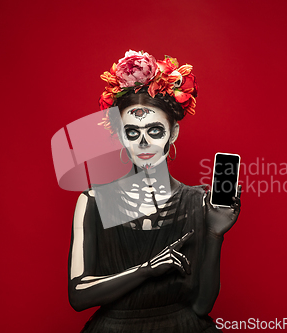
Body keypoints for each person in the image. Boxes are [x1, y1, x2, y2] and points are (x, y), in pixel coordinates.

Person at [68, 50, 242, 333]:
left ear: (173, 133)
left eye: (155, 131)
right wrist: (148, 269)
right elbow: (78, 294)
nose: (144, 142)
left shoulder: (198, 201)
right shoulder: (93, 202)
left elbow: (201, 306)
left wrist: (214, 234)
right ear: (120, 136)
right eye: (132, 132)